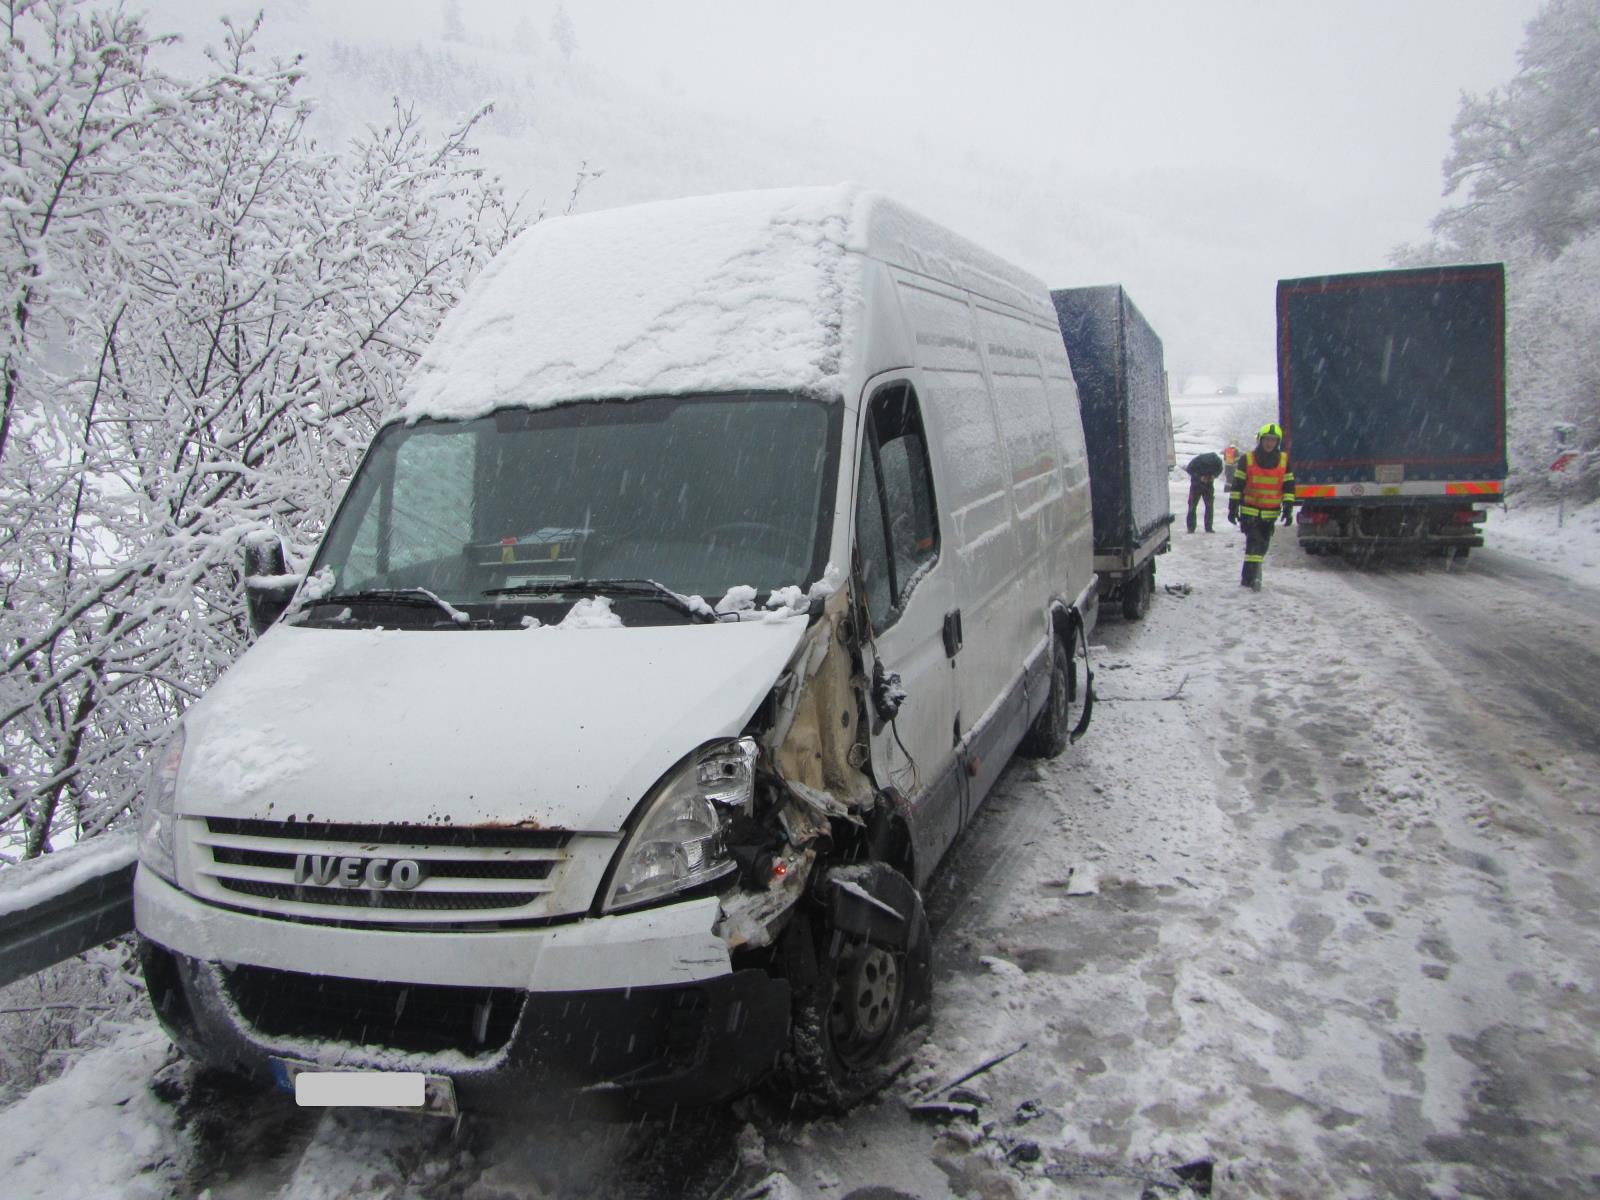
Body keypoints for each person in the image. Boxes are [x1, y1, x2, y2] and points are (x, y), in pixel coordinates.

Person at [1227, 422, 1295, 591]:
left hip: (1270, 514)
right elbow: (1237, 485)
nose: (1269, 443)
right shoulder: (1247, 459)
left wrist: (1288, 508)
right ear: (1260, 440)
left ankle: (1249, 578)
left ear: (1277, 442)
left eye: (1273, 440)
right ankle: (1252, 580)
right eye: (1266, 439)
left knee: (1261, 547)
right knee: (1254, 544)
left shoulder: (1284, 460)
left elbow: (1288, 486)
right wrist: (1232, 508)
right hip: (1250, 512)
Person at [1184, 451, 1224, 532]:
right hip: (1196, 485)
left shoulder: (1217, 462)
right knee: (1193, 506)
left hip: (1207, 485)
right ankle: (1192, 528)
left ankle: (1206, 528)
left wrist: (1213, 476)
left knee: (1207, 506)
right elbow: (1189, 469)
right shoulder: (1197, 461)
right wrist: (1199, 477)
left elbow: (1220, 469)